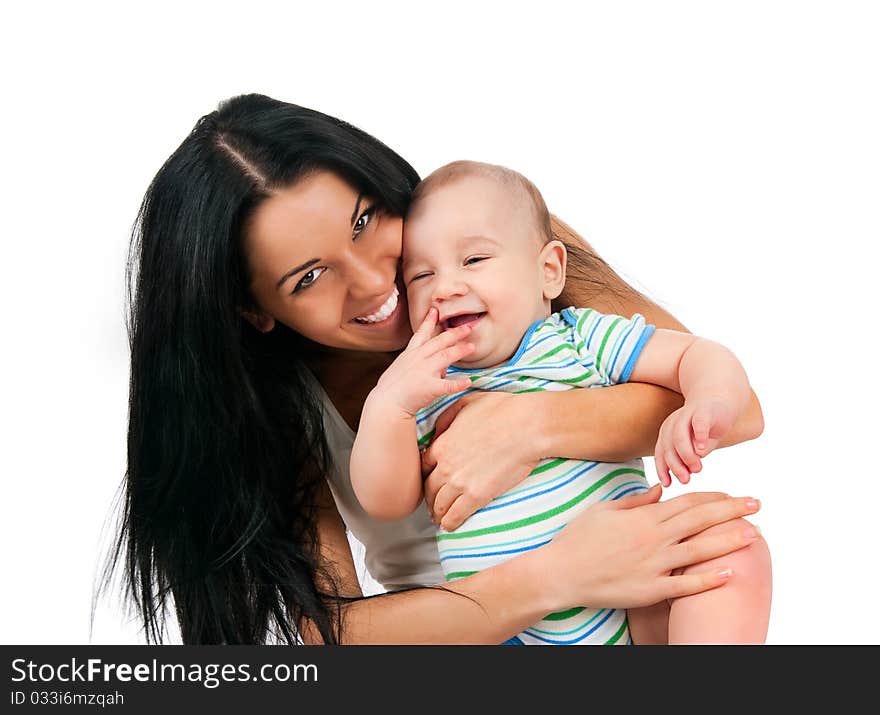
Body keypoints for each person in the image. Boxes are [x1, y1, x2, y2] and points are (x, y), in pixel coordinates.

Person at [108, 93, 768, 645]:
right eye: (310, 276)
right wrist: (560, 575)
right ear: (256, 310)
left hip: (630, 580)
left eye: (364, 220)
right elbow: (335, 634)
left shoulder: (490, 234)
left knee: (730, 554)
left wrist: (532, 425)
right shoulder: (280, 407)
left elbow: (730, 409)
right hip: (471, 628)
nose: (374, 283)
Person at [350, 161, 771, 644]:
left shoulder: (580, 339)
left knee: (734, 550)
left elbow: (697, 355)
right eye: (421, 275)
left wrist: (708, 399)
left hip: (637, 603)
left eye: (473, 261)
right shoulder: (425, 384)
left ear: (548, 272)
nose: (445, 287)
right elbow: (386, 501)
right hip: (512, 630)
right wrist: (389, 405)